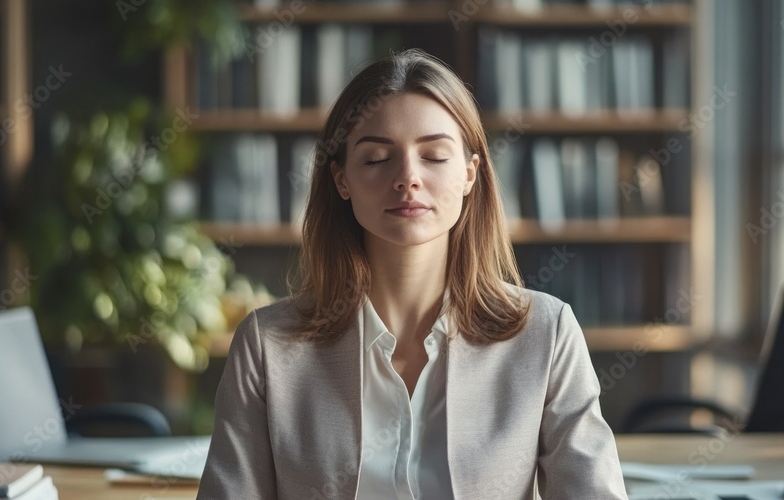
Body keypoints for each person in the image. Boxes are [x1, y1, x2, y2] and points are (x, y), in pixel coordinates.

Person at [197, 48, 628, 499]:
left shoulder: (546, 333)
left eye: (434, 156)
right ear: (342, 179)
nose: (407, 177)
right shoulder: (268, 346)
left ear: (469, 173)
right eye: (378, 158)